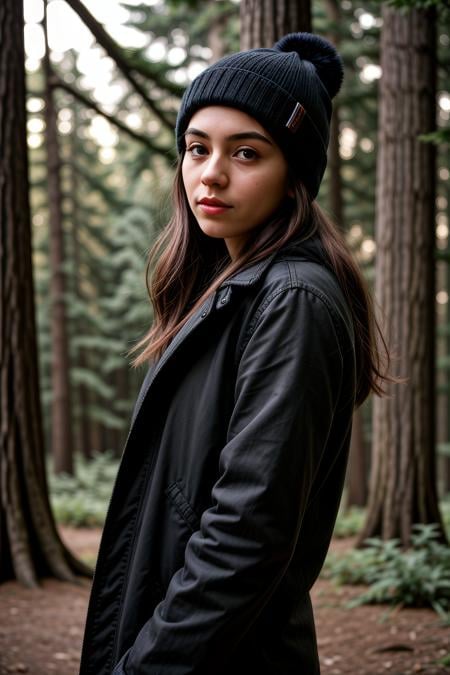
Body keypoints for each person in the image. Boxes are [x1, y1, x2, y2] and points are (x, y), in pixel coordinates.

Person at [79, 32, 391, 675]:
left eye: (246, 152)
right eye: (197, 148)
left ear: (294, 172)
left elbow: (245, 536)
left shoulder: (293, 300)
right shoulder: (227, 293)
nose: (210, 173)